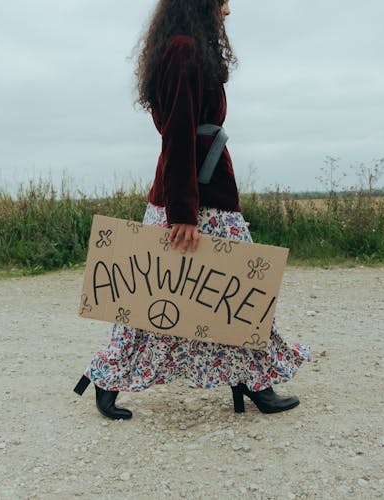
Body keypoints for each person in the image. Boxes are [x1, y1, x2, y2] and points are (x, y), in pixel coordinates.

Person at [73, 0, 311, 420]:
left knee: (230, 294)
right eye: (222, 1)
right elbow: (178, 131)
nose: (228, 10)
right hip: (196, 197)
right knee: (177, 295)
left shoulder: (189, 47)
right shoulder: (183, 49)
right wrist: (182, 213)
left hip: (204, 190)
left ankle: (252, 379)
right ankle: (109, 379)